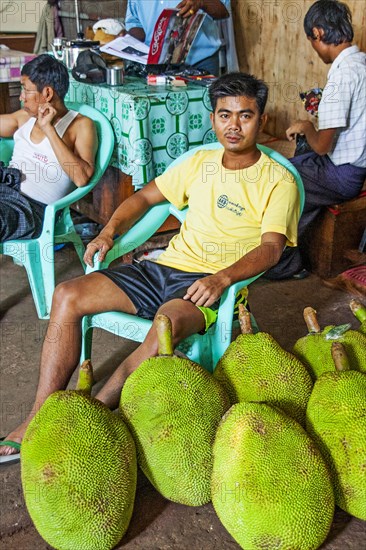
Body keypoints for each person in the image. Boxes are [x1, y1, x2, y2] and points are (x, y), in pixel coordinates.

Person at [0, 72, 300, 460]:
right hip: (162, 268)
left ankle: (93, 413)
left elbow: (272, 249)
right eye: (224, 115)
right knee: (67, 294)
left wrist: (222, 278)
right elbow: (143, 199)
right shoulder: (200, 162)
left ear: (261, 119)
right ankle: (40, 415)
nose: (233, 125)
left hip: (208, 284)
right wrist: (109, 232)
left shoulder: (278, 180)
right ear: (212, 119)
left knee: (166, 326)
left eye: (245, 115)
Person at [266, 0, 366, 280]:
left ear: (319, 33)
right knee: (292, 165)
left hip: (343, 175)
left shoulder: (343, 74)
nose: (313, 46)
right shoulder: (361, 63)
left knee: (281, 178)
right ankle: (291, 251)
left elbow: (321, 144)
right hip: (349, 165)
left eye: (311, 39)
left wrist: (307, 125)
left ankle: (284, 262)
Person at [0, 54, 97, 242]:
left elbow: (81, 178)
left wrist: (48, 129)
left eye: (25, 90)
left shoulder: (81, 125)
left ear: (47, 94)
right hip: (5, 189)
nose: (21, 97)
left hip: (30, 210)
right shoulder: (24, 117)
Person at [125, 0, 230, 75]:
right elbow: (135, 23)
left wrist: (201, 2)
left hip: (201, 62)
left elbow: (223, 11)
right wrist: (125, 41)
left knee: (203, 105)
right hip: (154, 66)